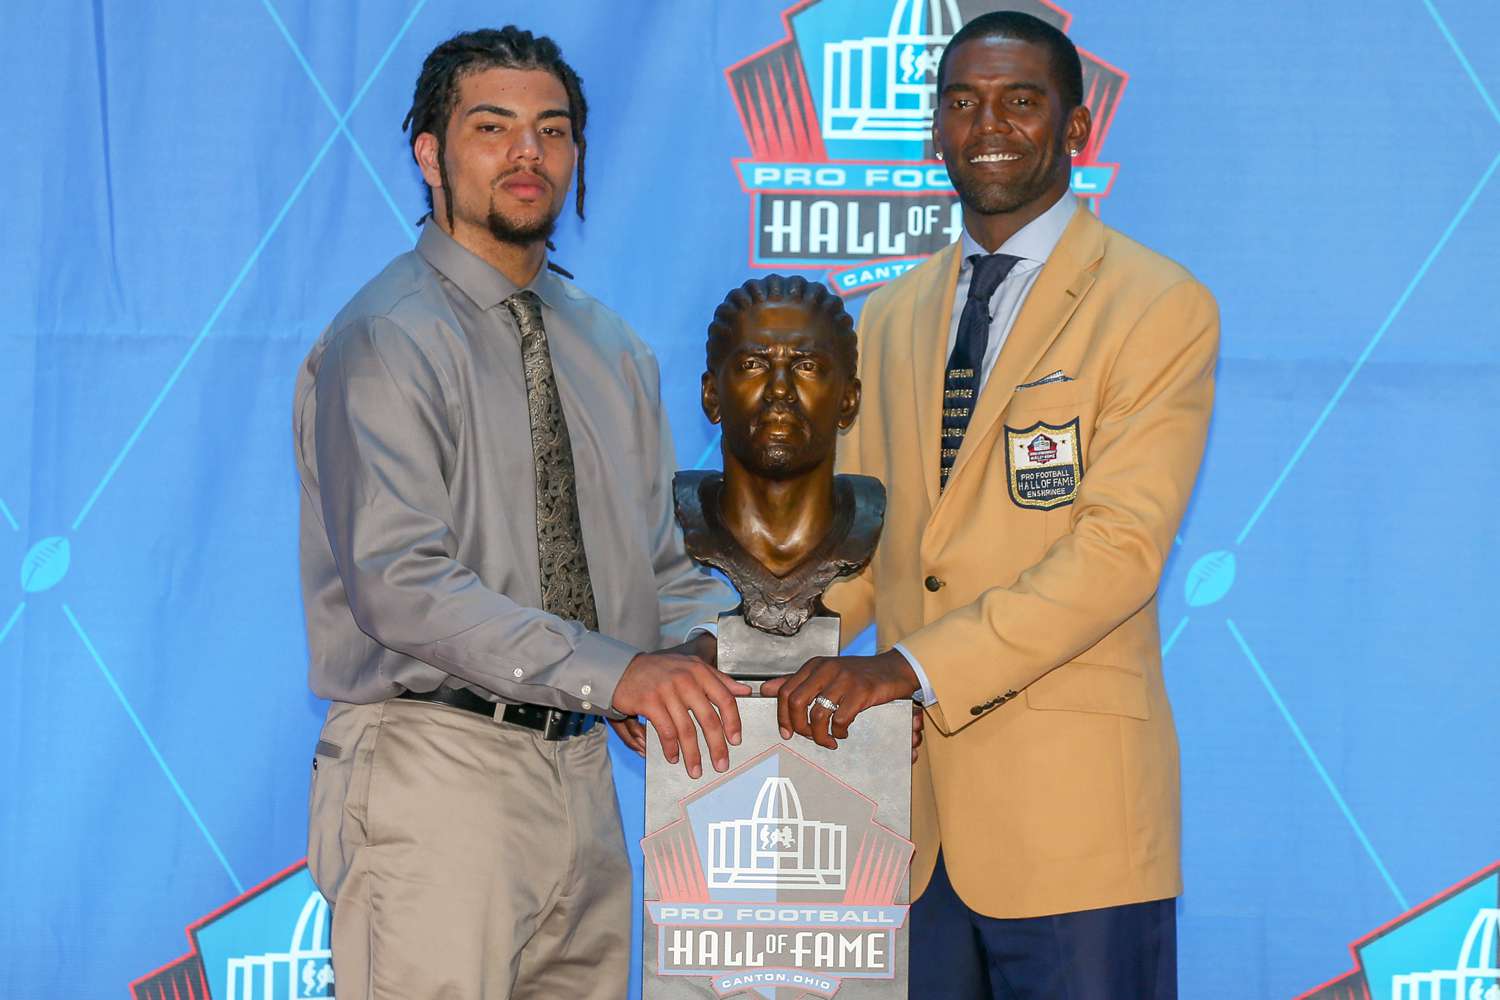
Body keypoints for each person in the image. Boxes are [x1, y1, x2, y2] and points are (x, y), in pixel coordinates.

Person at [763, 11, 1219, 998]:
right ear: (933, 132)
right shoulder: (884, 317)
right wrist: (735, 660)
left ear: (1076, 127)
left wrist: (910, 669)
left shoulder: (1156, 303)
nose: (989, 126)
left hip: (1078, 832)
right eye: (962, 103)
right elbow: (858, 549)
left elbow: (1118, 552)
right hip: (915, 833)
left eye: (1021, 99)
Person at [293, 26, 746, 1000]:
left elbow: (663, 568)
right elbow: (403, 586)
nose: (527, 153)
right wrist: (620, 671)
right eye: (491, 127)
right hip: (432, 768)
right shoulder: (385, 339)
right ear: (431, 154)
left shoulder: (612, 349)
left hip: (583, 781)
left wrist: (696, 654)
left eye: (552, 129)